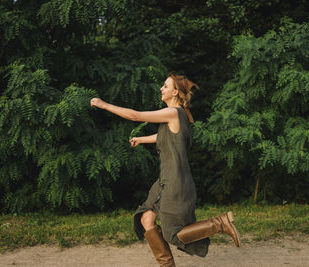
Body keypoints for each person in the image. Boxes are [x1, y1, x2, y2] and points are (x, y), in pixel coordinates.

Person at [90, 73, 240, 267]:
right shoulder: (178, 115)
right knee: (146, 220)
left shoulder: (174, 113)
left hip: (175, 182)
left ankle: (220, 223)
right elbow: (166, 136)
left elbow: (135, 115)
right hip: (164, 181)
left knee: (173, 234)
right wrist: (142, 139)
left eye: (165, 86)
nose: (161, 89)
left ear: (175, 92)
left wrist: (104, 105)